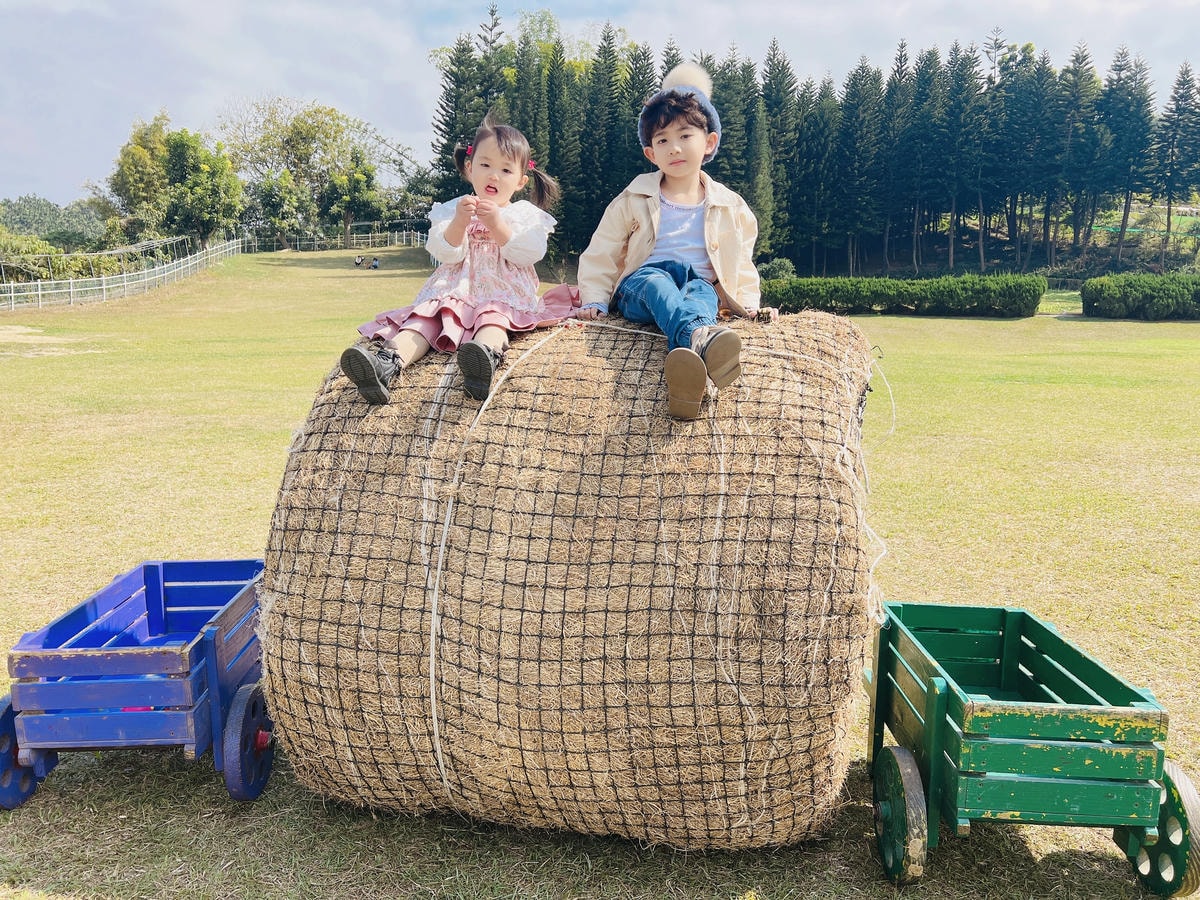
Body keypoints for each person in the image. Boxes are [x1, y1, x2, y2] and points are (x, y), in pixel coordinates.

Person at [575, 63, 762, 420]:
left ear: (709, 142)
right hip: (642, 284)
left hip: (698, 283)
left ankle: (687, 382)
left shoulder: (730, 204)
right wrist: (595, 300)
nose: (674, 148)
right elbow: (602, 251)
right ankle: (701, 339)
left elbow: (741, 260)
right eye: (662, 140)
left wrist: (749, 302)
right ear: (651, 153)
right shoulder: (633, 198)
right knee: (660, 284)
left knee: (703, 298)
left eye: (685, 136)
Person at [340, 116, 567, 403]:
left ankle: (483, 362)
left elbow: (529, 253)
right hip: (454, 288)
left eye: (505, 169)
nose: (493, 175)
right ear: (470, 168)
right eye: (485, 165)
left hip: (502, 291)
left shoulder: (524, 215)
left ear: (521, 181)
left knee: (493, 319)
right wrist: (459, 222)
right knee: (424, 320)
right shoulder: (453, 208)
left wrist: (498, 225)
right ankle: (387, 363)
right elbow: (443, 251)